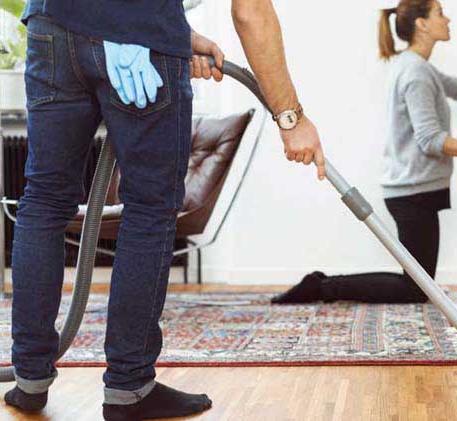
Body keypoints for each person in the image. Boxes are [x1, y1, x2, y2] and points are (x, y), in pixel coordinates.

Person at [5, 0, 324, 419]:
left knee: (44, 200)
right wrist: (291, 118)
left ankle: (29, 379)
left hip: (53, 26)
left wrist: (176, 34)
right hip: (140, 32)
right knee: (150, 208)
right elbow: (251, 12)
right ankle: (129, 387)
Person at [272, 0, 457, 305]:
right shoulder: (416, 73)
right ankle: (321, 287)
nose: (447, 20)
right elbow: (431, 139)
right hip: (412, 192)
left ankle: (322, 286)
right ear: (422, 24)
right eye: (440, 14)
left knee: (419, 284)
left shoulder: (419, 68)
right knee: (417, 288)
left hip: (417, 188)